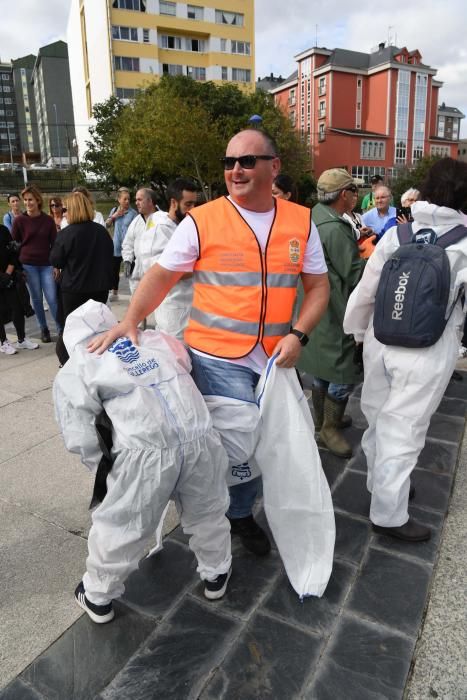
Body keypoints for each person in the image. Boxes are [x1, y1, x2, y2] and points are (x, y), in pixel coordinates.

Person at [87, 128, 330, 557]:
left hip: (274, 360)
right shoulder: (204, 220)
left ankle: (235, 514)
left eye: (247, 161)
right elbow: (161, 275)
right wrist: (130, 320)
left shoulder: (300, 220)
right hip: (216, 357)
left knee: (258, 447)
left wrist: (299, 334)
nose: (235, 169)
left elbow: (318, 288)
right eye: (228, 161)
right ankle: (214, 514)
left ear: (274, 167)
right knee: (234, 445)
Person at [54, 300, 232, 623]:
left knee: (122, 523)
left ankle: (97, 595)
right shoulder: (154, 338)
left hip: (145, 449)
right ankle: (216, 574)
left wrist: (103, 470)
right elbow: (186, 363)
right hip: (198, 431)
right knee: (207, 509)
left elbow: (78, 433)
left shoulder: (79, 364)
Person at [343, 157, 467, 542]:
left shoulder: (400, 232)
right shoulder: (464, 241)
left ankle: (381, 485)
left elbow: (368, 289)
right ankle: (389, 513)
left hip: (380, 340)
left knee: (378, 418)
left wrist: (358, 333)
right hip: (427, 351)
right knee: (405, 429)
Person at [298, 169, 365, 458]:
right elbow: (354, 274)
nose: (357, 195)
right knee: (343, 370)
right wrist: (373, 256)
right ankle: (329, 426)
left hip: (315, 306)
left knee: (322, 366)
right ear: (343, 195)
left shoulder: (312, 217)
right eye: (354, 190)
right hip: (334, 308)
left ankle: (320, 421)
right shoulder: (334, 227)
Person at [49, 191, 113, 365]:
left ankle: (68, 363)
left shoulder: (66, 233)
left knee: (71, 329)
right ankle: (95, 362)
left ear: (74, 210)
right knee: (96, 327)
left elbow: (56, 260)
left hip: (74, 289)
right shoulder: (101, 231)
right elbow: (110, 256)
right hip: (99, 288)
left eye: (65, 209)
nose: (63, 213)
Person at [145, 178, 198, 341]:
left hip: (190, 311)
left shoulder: (184, 226)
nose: (193, 209)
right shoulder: (161, 230)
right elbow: (162, 271)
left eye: (195, 204)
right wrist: (201, 266)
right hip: (174, 316)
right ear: (174, 203)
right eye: (188, 204)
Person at [12, 185, 61, 343]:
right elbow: (14, 245)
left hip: (46, 265)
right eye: (25, 200)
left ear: (37, 200)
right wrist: (19, 267)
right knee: (37, 300)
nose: (27, 203)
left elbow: (55, 245)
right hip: (28, 266)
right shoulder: (19, 220)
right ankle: (44, 329)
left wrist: (56, 265)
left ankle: (61, 329)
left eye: (30, 199)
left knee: (52, 298)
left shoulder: (47, 220)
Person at [0, 224, 38, 354]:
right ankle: (3, 342)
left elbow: (13, 252)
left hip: (8, 275)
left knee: (17, 307)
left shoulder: (3, 230)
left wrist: (7, 274)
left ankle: (21, 340)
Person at [121, 188, 159, 295]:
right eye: (136, 200)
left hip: (156, 276)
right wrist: (127, 260)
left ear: (150, 201)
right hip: (137, 276)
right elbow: (127, 243)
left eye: (140, 200)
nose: (136, 203)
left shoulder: (163, 220)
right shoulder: (136, 221)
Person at [105, 187, 137, 302]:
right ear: (119, 199)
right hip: (116, 246)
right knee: (114, 271)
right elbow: (106, 225)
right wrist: (114, 216)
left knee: (131, 271)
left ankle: (134, 294)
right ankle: (115, 293)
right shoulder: (114, 210)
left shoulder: (134, 213)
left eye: (129, 199)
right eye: (125, 199)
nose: (127, 201)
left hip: (129, 247)